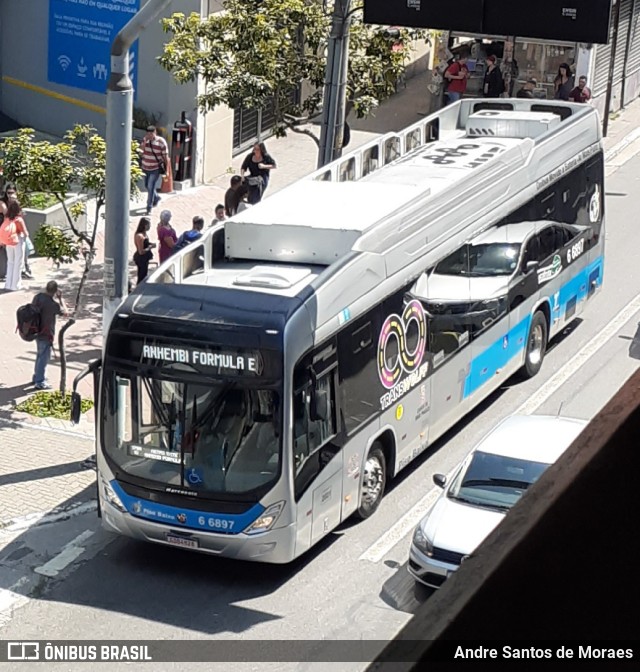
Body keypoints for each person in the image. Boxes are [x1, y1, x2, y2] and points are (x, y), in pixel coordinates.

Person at [32, 280, 68, 390]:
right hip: (46, 333)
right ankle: (40, 381)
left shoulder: (38, 297)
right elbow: (65, 313)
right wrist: (61, 299)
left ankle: (37, 376)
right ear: (55, 291)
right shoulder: (53, 305)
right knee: (44, 357)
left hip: (36, 331)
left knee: (40, 354)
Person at [0, 200, 30, 291]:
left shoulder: (7, 218)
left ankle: (8, 284)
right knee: (18, 263)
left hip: (8, 242)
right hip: (17, 241)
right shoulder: (19, 219)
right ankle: (16, 285)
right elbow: (25, 233)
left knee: (10, 262)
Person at [139, 125, 169, 215]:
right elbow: (140, 152)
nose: (149, 136)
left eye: (151, 134)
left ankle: (149, 207)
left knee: (151, 186)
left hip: (155, 168)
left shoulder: (161, 142)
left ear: (155, 133)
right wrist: (144, 143)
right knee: (147, 186)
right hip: (145, 167)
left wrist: (166, 170)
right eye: (148, 134)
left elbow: (165, 157)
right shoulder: (145, 140)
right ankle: (156, 197)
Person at [133, 216, 156, 285]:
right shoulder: (139, 236)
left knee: (144, 274)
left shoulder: (144, 234)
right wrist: (150, 247)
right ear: (145, 225)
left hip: (145, 258)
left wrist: (150, 244)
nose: (150, 227)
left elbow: (146, 243)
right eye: (149, 225)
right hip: (141, 259)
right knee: (141, 275)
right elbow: (141, 251)